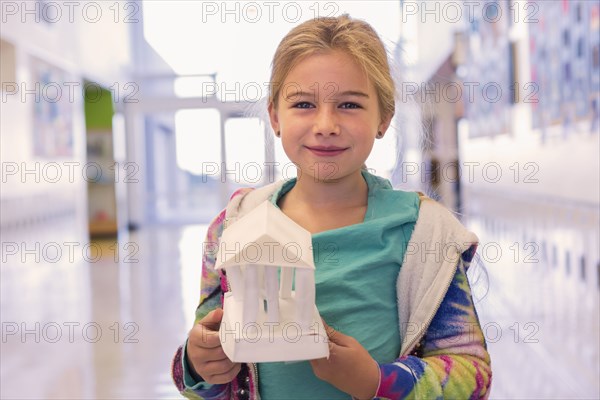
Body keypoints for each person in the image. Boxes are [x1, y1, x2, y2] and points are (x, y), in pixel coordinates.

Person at [171, 14, 492, 399]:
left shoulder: (423, 233)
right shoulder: (232, 227)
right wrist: (196, 363)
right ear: (275, 116)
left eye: (350, 105)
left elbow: (472, 377)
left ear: (384, 118)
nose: (326, 124)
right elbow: (202, 380)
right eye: (304, 104)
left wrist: (377, 380)